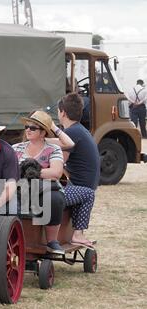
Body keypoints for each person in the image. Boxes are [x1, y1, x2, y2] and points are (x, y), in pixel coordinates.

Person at [13, 110, 75, 254]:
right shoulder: (16, 148)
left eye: (33, 128)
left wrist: (28, 172)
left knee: (54, 199)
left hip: (45, 189)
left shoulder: (52, 148)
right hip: (20, 189)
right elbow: (8, 170)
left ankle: (52, 241)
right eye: (26, 127)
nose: (28, 130)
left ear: (43, 133)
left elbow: (56, 172)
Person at [55, 93, 100, 248]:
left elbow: (59, 164)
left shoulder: (71, 133)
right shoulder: (80, 130)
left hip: (78, 188)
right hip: (85, 185)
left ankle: (77, 234)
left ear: (63, 113)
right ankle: (76, 233)